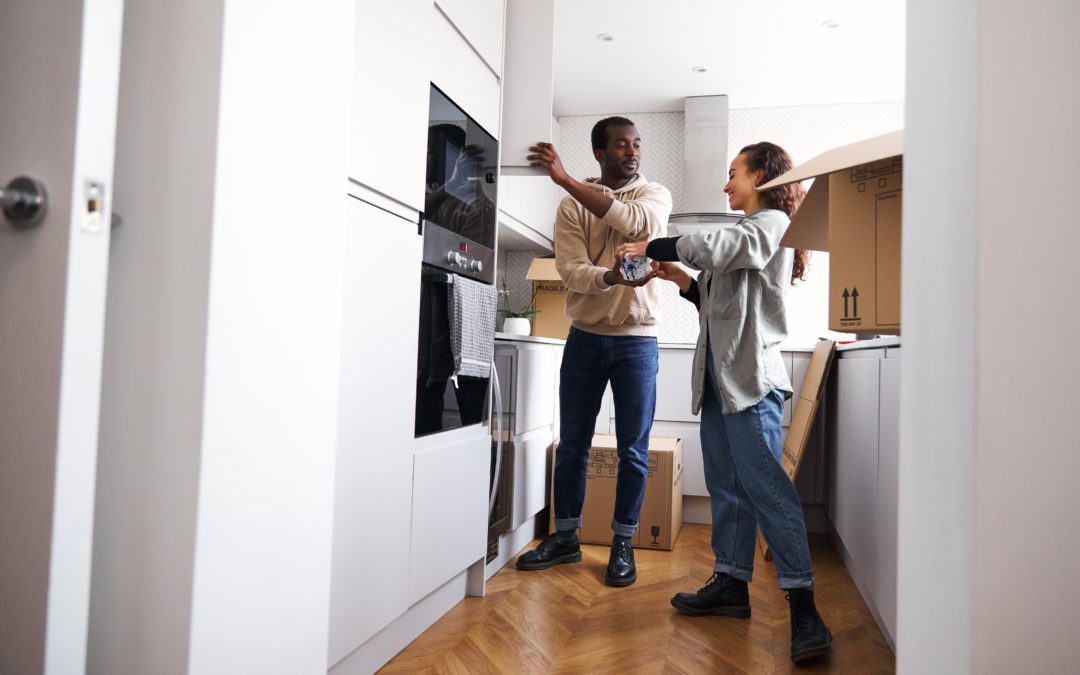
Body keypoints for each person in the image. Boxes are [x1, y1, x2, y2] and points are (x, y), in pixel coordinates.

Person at [615, 142, 830, 663]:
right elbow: (716, 302)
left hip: (751, 382)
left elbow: (725, 247)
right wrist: (682, 282)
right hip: (720, 382)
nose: (726, 184)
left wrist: (658, 247)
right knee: (727, 489)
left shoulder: (772, 224)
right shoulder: (745, 235)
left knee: (767, 491)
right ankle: (731, 583)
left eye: (733, 173)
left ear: (761, 176)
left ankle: (804, 605)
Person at [514, 117, 672, 587]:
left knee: (633, 451)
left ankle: (623, 542)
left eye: (636, 143)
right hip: (583, 338)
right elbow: (571, 270)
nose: (632, 151)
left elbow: (635, 222)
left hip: (638, 341)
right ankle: (565, 538)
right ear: (600, 153)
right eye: (621, 145)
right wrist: (610, 278)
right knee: (573, 446)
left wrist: (564, 179)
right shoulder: (570, 208)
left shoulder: (655, 195)